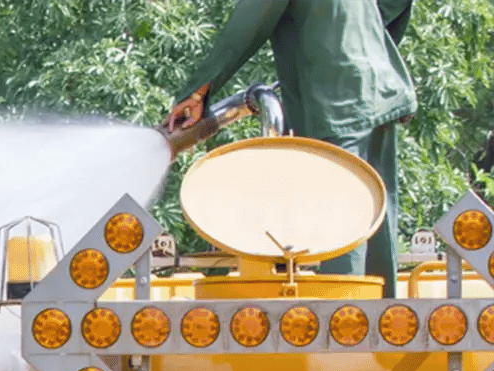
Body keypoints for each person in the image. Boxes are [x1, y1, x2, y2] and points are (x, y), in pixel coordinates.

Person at [164, 1, 416, 295]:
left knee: (345, 224)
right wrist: (368, 38)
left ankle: (345, 327)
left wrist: (197, 92)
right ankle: (383, 323)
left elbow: (246, 25)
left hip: (337, 98)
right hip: (382, 87)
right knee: (375, 216)